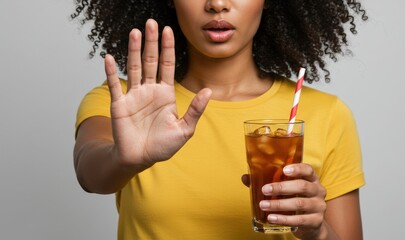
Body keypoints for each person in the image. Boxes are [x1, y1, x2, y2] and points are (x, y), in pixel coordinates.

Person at [72, 0, 368, 239]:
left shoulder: (326, 114)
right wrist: (124, 159)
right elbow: (90, 173)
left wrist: (319, 233)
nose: (217, 4)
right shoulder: (127, 103)